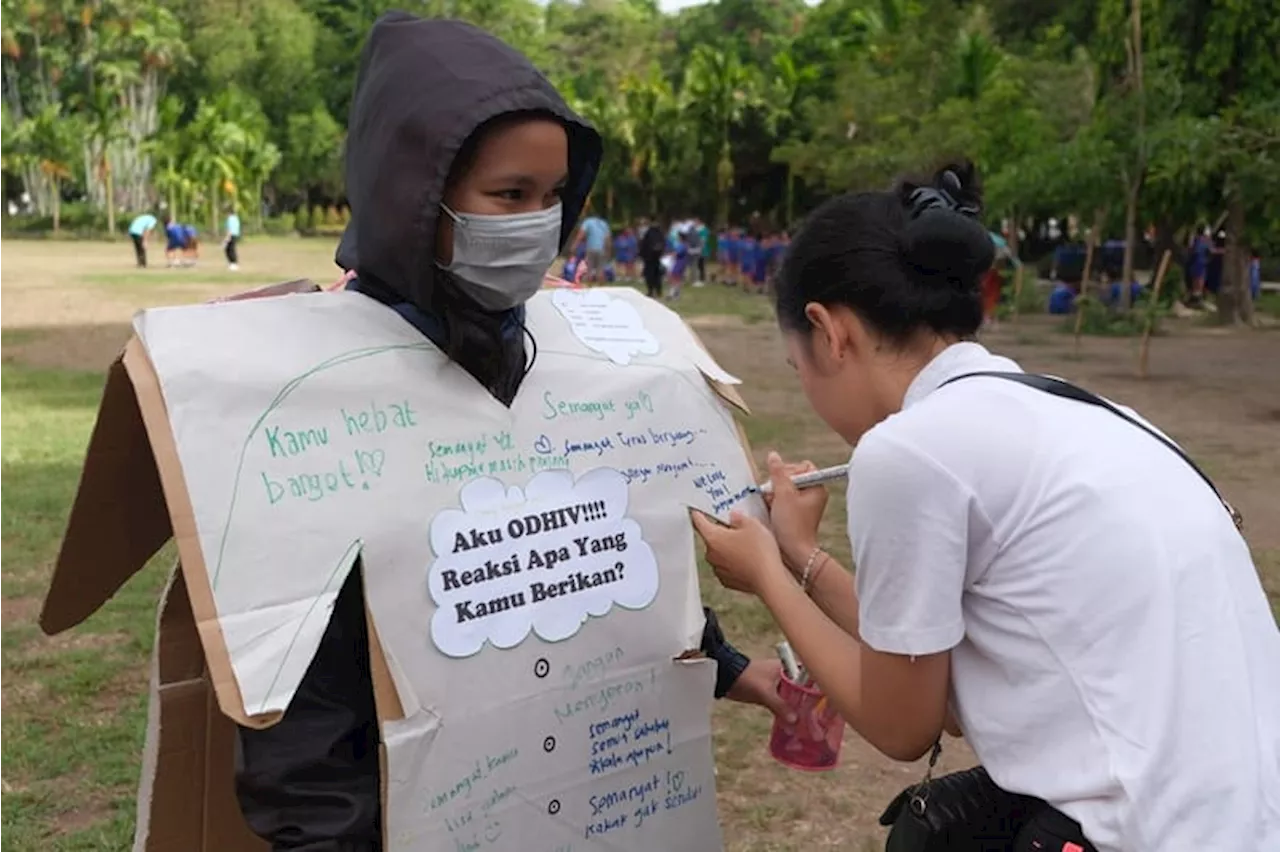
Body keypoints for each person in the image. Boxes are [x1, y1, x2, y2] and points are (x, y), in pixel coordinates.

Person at [235, 16, 789, 851]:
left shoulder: (556, 358)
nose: (537, 223)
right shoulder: (310, 406)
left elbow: (596, 563)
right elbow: (301, 726)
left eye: (553, 196)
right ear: (414, 193)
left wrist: (732, 667)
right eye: (508, 196)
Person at [691, 161, 1280, 851]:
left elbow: (903, 725)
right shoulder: (1071, 405)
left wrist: (766, 573)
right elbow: (925, 674)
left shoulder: (910, 451)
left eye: (800, 368)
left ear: (829, 332)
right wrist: (800, 555)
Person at [575, 201, 610, 284]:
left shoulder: (588, 222)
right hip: (602, 249)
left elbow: (581, 234)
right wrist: (608, 250)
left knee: (589, 269)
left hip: (591, 248)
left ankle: (588, 287)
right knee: (600, 270)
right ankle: (602, 289)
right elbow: (608, 239)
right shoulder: (604, 223)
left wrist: (575, 245)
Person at [638, 215, 666, 299]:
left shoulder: (648, 232)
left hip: (649, 257)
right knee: (657, 275)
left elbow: (644, 245)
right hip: (657, 257)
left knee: (649, 274)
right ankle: (658, 291)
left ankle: (651, 291)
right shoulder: (660, 232)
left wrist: (641, 254)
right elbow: (663, 243)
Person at [223, 206, 242, 271]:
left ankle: (233, 263)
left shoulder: (230, 219)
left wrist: (227, 237)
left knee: (230, 249)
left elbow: (229, 228)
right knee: (230, 249)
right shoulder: (236, 218)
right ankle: (233, 263)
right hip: (235, 234)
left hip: (231, 235)